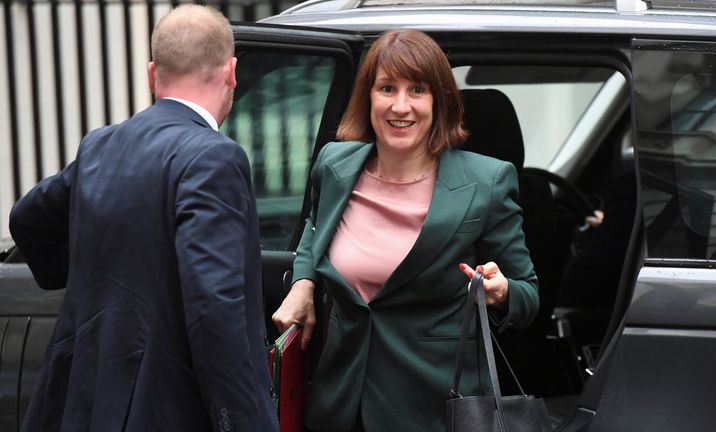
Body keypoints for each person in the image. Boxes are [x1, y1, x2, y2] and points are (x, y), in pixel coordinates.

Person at [9, 5, 278, 432]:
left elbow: (26, 219)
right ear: (231, 72)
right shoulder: (214, 157)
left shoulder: (101, 146)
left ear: (153, 75)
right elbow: (213, 307)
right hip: (169, 409)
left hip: (86, 402)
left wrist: (80, 269)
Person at [272, 29, 539, 432]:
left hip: (434, 407)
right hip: (339, 403)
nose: (401, 106)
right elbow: (316, 225)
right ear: (368, 97)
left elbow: (529, 295)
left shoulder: (487, 181)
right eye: (386, 88)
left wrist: (501, 292)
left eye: (417, 89)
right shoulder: (335, 164)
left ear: (439, 102)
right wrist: (304, 282)